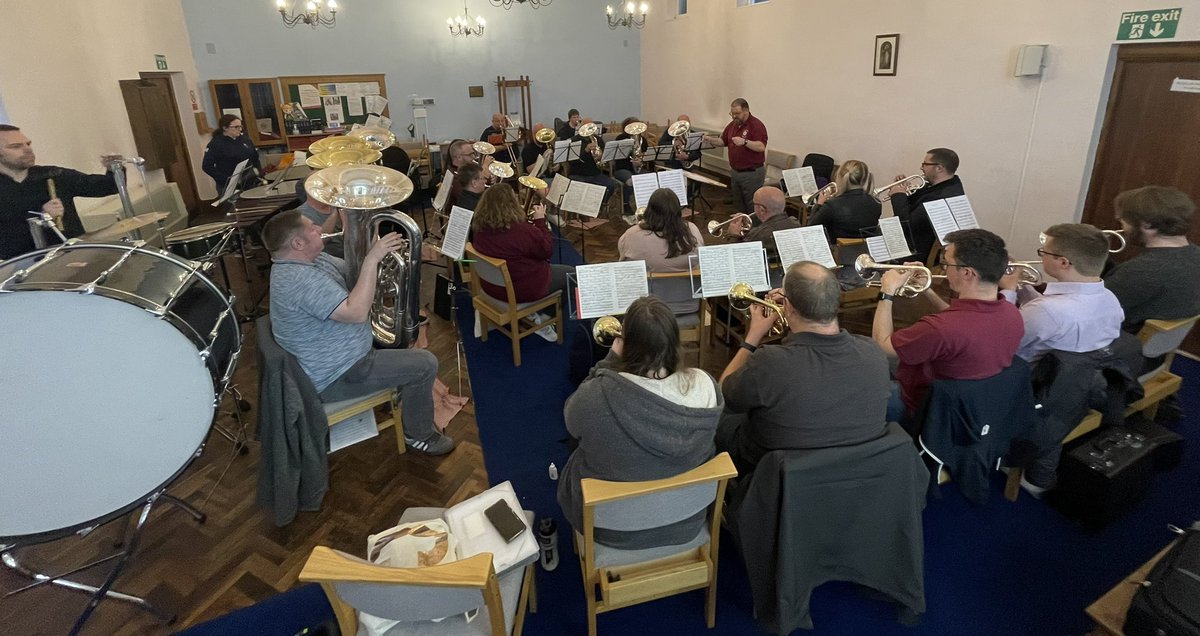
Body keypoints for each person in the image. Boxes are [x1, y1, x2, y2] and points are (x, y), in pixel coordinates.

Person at [262, 209, 456, 455]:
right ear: (298, 243)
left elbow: (353, 272)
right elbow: (356, 313)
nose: (319, 228)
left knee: (402, 345)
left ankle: (400, 396)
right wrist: (374, 259)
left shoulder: (311, 260)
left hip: (340, 358)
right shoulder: (299, 280)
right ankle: (419, 435)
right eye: (312, 228)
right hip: (339, 374)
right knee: (425, 364)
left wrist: (371, 245)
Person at [557, 296, 723, 549]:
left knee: (578, 444)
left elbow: (571, 420)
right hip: (686, 520)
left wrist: (609, 361)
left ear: (626, 344)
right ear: (674, 342)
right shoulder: (706, 384)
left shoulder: (595, 395)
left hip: (613, 531)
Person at [716, 261, 890, 476]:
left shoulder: (769, 362)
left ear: (788, 307)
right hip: (854, 471)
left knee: (717, 414)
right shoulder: (873, 352)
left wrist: (752, 337)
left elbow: (724, 392)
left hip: (771, 473)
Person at [872, 228, 1023, 425]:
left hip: (925, 407)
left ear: (967, 273)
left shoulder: (940, 328)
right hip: (974, 407)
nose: (944, 270)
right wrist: (926, 288)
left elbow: (882, 345)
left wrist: (887, 292)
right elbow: (961, 319)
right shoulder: (1012, 313)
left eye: (947, 264)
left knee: (860, 387)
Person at [1000, 223, 1123, 363]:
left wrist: (1008, 291)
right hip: (1083, 376)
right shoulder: (1110, 298)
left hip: (1028, 374)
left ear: (1063, 263)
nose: (1041, 255)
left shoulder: (1046, 310)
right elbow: (1049, 314)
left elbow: (999, 342)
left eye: (1044, 252)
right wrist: (1021, 286)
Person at [0, 124, 119, 259]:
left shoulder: (54, 175)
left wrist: (114, 168)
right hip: (20, 267)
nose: (27, 149)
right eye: (16, 146)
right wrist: (42, 218)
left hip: (72, 258)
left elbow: (110, 186)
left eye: (28, 144)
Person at [1103, 185, 1200, 333]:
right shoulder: (1194, 255)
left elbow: (1089, 309)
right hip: (1155, 345)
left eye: (1123, 221)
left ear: (1147, 224)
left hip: (1117, 344)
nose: (1121, 226)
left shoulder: (1140, 271)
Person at [470, 183, 574, 305]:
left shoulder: (478, 229)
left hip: (490, 288)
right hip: (520, 291)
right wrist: (540, 221)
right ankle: (550, 316)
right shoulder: (522, 231)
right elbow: (546, 251)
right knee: (570, 273)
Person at [617, 188, 704, 314]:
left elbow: (623, 266)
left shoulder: (632, 235)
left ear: (650, 210)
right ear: (678, 211)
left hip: (647, 308)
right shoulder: (692, 230)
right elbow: (700, 259)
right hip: (688, 305)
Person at [885, 147, 965, 263]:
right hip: (913, 243)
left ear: (939, 168)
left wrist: (898, 196)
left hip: (916, 252)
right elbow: (913, 207)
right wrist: (904, 189)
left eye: (925, 164)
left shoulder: (942, 197)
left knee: (871, 243)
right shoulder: (944, 186)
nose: (921, 168)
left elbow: (906, 225)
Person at [704, 98, 768, 215]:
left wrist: (745, 142)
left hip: (752, 173)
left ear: (746, 111)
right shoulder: (732, 125)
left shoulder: (756, 125)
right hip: (735, 172)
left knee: (752, 206)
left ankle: (754, 231)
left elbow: (761, 147)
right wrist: (710, 140)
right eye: (732, 113)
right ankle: (742, 229)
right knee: (738, 204)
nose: (734, 116)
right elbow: (723, 142)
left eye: (737, 113)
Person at [727, 186, 799, 283]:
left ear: (761, 209)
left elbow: (737, 259)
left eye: (754, 204)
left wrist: (733, 236)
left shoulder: (758, 236)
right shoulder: (795, 223)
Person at [806, 159, 881, 242]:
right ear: (864, 179)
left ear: (840, 178)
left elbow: (810, 229)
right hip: (863, 250)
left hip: (837, 252)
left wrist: (819, 204)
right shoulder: (876, 203)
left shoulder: (832, 205)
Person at [203, 114, 262, 194]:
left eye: (240, 126)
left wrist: (259, 172)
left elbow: (255, 157)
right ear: (225, 128)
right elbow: (207, 166)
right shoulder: (216, 144)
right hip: (228, 185)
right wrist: (225, 179)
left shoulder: (245, 140)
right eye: (236, 127)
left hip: (249, 182)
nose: (240, 129)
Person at [568, 119, 621, 206]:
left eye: (590, 127)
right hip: (578, 173)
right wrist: (586, 150)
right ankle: (584, 210)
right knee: (583, 187)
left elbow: (605, 158)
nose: (588, 130)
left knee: (610, 185)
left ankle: (600, 205)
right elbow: (572, 162)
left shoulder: (598, 140)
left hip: (595, 173)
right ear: (581, 127)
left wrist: (602, 157)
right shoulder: (574, 141)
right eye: (586, 126)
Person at [293, 174, 343, 258]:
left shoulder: (335, 204)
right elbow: (317, 241)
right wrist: (336, 212)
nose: (331, 189)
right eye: (324, 186)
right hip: (330, 259)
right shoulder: (300, 214)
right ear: (310, 190)